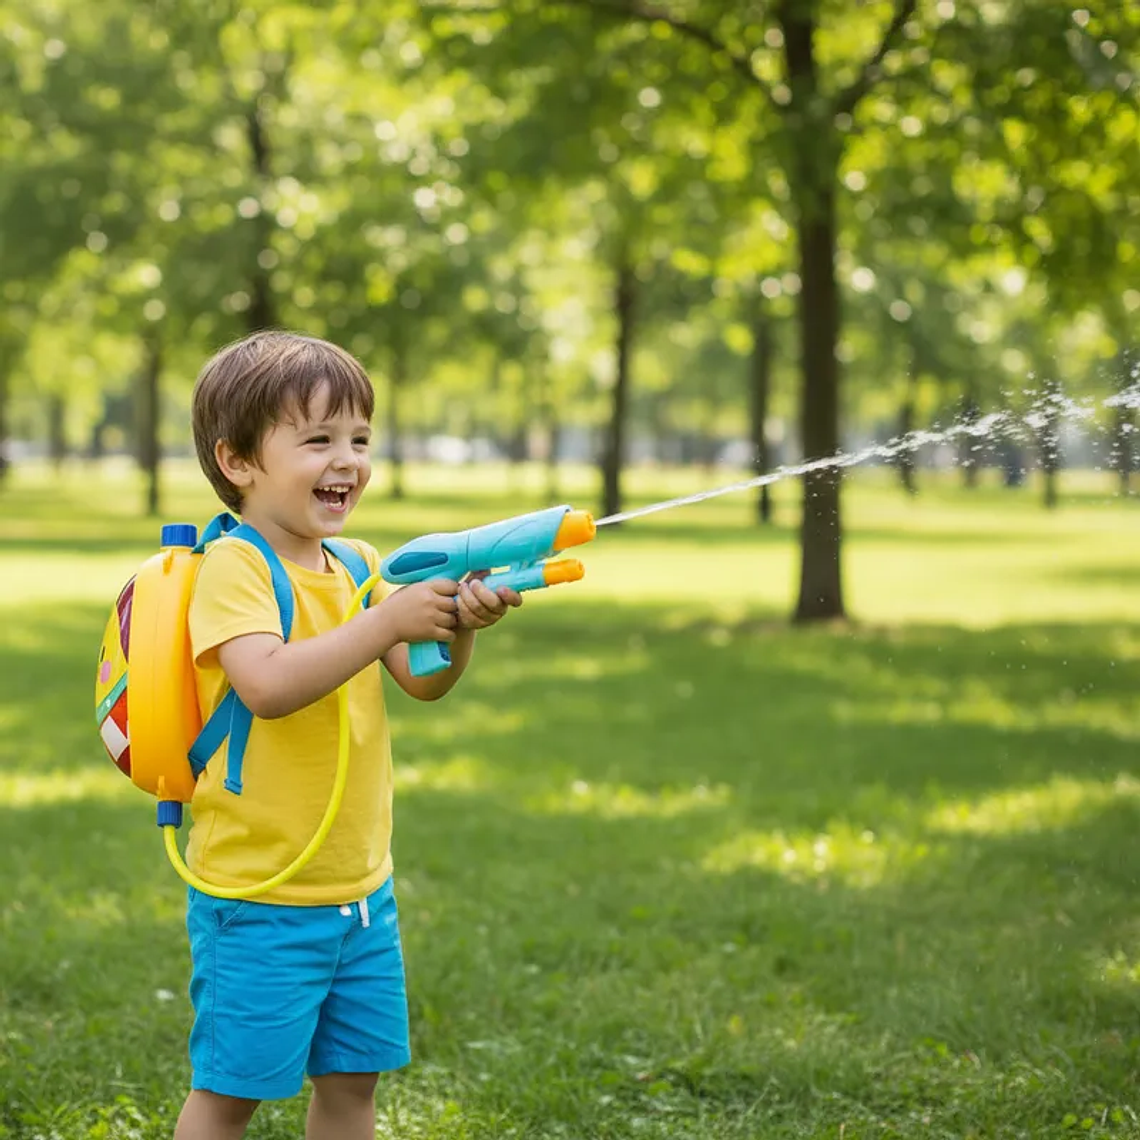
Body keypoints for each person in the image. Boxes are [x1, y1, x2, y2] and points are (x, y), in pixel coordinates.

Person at [173, 331, 522, 1140]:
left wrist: (457, 623)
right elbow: (266, 686)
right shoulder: (238, 565)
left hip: (362, 893)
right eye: (319, 439)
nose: (349, 460)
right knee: (232, 1093)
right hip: (260, 894)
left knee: (351, 1086)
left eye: (360, 439)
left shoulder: (361, 562)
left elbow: (422, 682)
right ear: (238, 462)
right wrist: (386, 620)